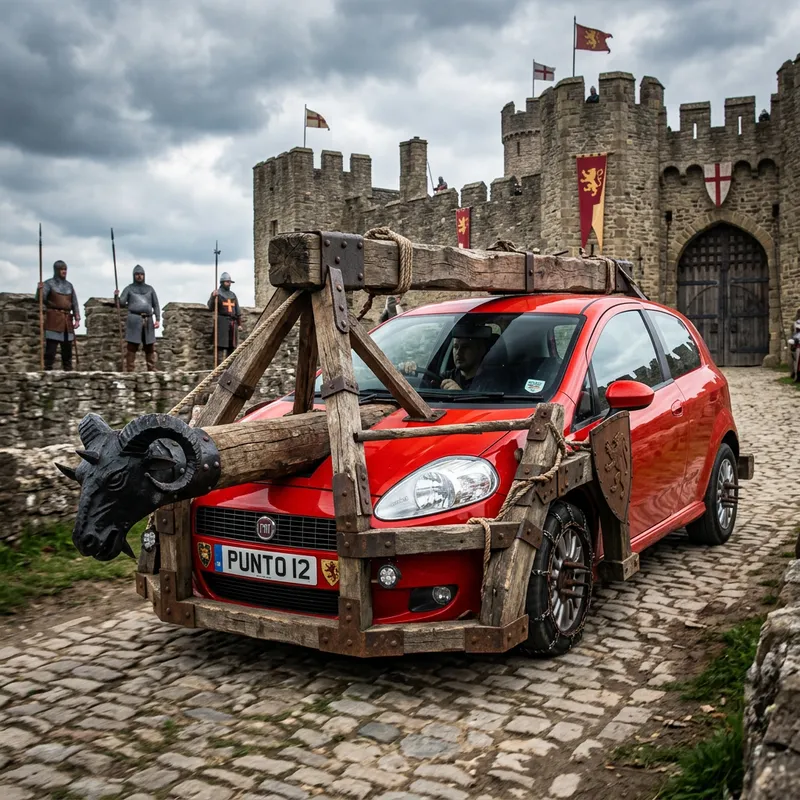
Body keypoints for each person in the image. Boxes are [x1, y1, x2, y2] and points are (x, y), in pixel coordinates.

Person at [399, 324, 491, 391]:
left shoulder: (490, 382)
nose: (458, 352)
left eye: (465, 347)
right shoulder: (447, 377)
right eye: (455, 347)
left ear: (481, 350)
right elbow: (425, 385)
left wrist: (460, 394)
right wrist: (411, 371)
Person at [37, 260, 80, 371]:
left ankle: (68, 370)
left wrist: (77, 318)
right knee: (51, 348)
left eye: (65, 269)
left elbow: (74, 303)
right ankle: (48, 369)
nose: (64, 271)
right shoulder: (48, 284)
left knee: (67, 348)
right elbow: (40, 299)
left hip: (67, 320)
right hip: (53, 318)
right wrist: (39, 291)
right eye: (61, 269)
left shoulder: (69, 286)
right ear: (56, 270)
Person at [116, 264, 160, 372]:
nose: (139, 276)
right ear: (134, 275)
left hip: (148, 319)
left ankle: (151, 368)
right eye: (137, 274)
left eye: (141, 274)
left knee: (149, 345)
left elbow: (156, 305)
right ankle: (130, 369)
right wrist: (116, 296)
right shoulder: (129, 288)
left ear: (144, 275)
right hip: (134, 319)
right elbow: (121, 303)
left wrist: (158, 319)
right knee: (132, 345)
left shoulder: (150, 289)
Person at [208, 271, 242, 363]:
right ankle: (218, 366)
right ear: (222, 282)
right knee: (220, 346)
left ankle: (230, 366)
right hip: (221, 322)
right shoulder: (217, 293)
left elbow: (237, 310)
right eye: (227, 282)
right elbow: (210, 307)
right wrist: (213, 297)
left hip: (232, 323)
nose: (229, 284)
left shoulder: (232, 295)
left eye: (230, 282)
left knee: (231, 347)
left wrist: (239, 323)